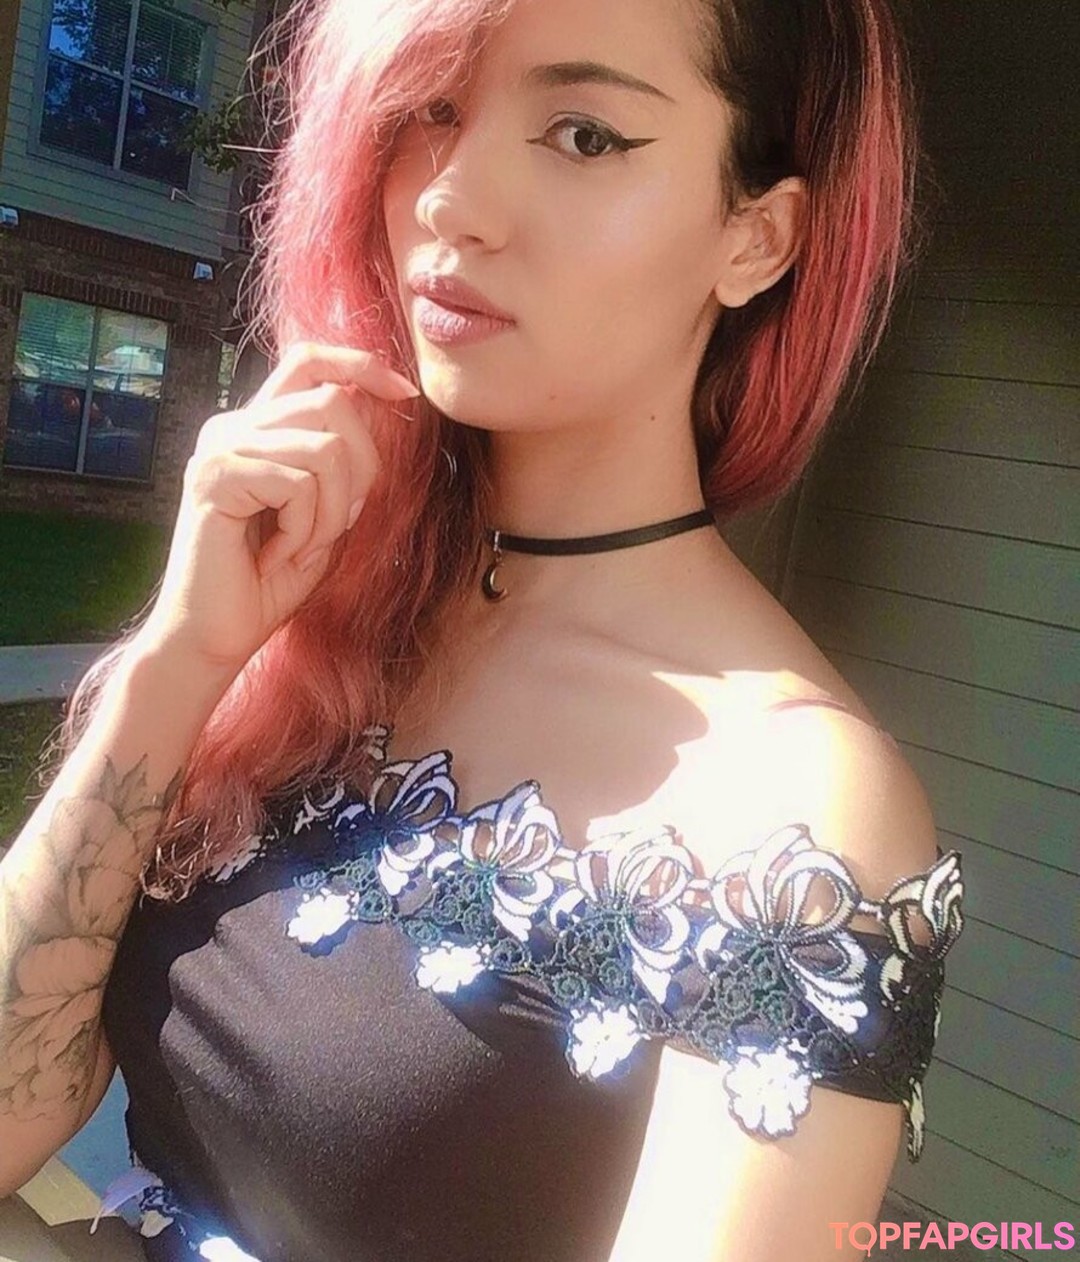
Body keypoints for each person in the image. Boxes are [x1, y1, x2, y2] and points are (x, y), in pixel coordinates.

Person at [0, 0, 967, 1258]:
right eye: (429, 112)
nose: (452, 200)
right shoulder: (328, 612)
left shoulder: (794, 806)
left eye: (584, 134)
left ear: (757, 235)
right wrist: (183, 657)